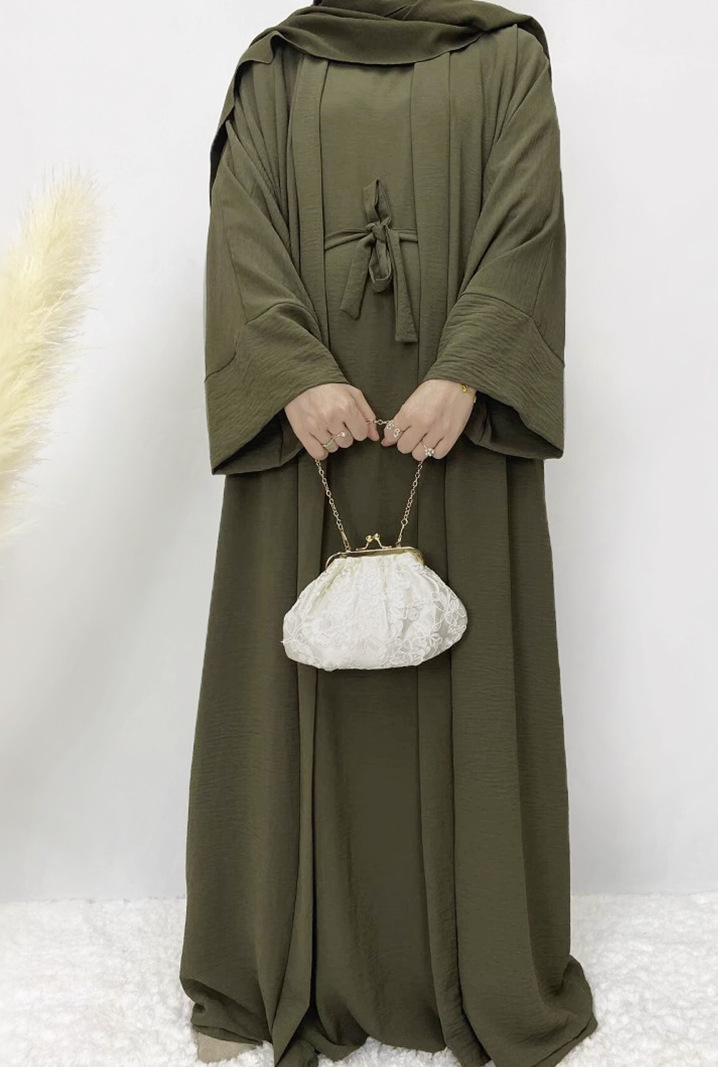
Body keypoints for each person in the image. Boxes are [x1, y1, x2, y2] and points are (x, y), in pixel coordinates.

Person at [179, 1, 599, 1065]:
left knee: (466, 671)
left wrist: (467, 374)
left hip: (455, 423)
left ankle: (474, 967)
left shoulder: (506, 59)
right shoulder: (274, 68)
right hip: (310, 429)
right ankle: (273, 966)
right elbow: (241, 230)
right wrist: (292, 377)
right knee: (294, 681)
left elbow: (526, 222)